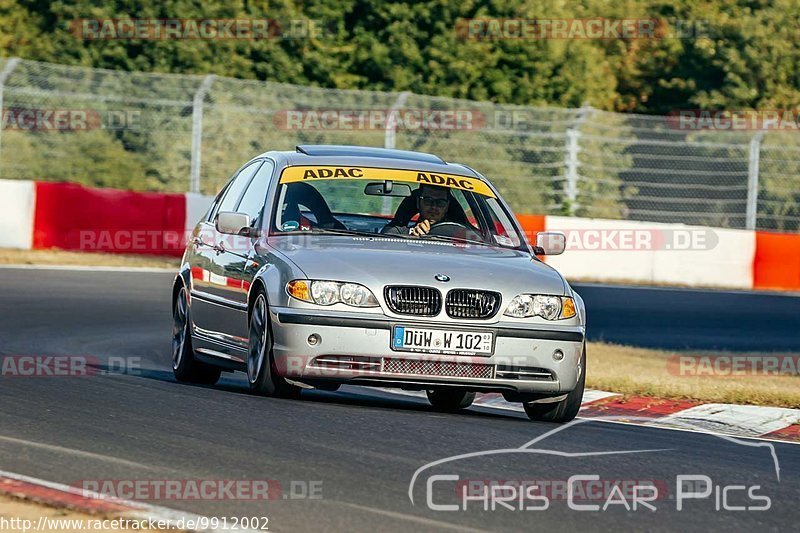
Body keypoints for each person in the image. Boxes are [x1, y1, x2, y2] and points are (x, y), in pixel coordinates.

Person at [381, 184, 464, 236]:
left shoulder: (459, 237)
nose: (434, 207)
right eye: (428, 200)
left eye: (440, 203)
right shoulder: (400, 232)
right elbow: (385, 242)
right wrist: (412, 237)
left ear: (447, 207)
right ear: (418, 203)